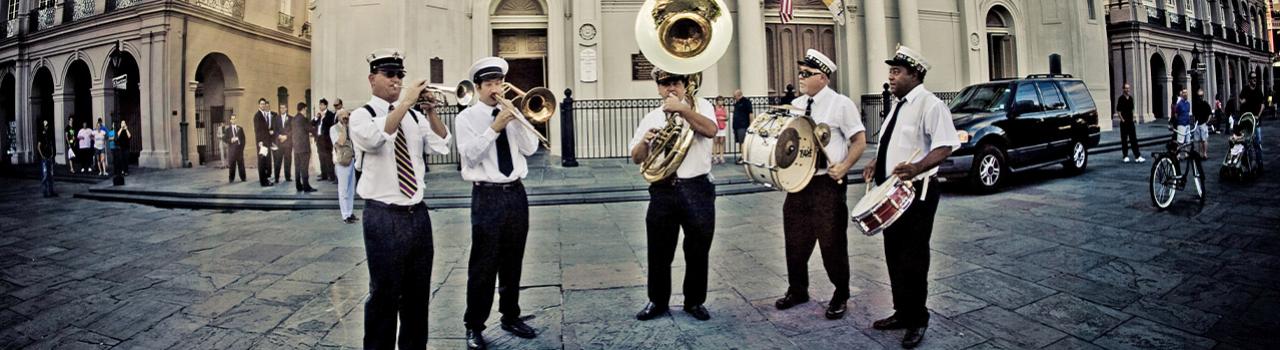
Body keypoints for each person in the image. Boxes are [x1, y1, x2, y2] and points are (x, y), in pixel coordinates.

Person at [349, 48, 451, 350]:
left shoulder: (415, 117)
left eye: (400, 76)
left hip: (417, 215)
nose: (396, 80)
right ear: (372, 79)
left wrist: (431, 111)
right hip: (383, 216)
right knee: (384, 294)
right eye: (390, 75)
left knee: (418, 297)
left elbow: (442, 144)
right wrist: (405, 101)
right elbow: (376, 138)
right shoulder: (361, 116)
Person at [861, 45, 960, 349]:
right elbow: (892, 143)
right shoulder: (898, 105)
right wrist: (877, 162)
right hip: (893, 194)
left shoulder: (930, 105)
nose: (890, 77)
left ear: (914, 74)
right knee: (894, 255)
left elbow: (945, 146)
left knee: (913, 258)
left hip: (917, 194)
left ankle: (918, 318)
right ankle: (902, 312)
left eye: (896, 72)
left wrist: (917, 166)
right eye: (890, 71)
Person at [773, 49, 867, 321]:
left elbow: (859, 140)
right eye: (800, 72)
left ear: (823, 78)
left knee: (831, 241)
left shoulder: (841, 104)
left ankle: (841, 293)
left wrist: (845, 165)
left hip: (828, 182)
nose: (800, 78)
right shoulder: (798, 103)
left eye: (806, 74)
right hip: (800, 182)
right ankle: (797, 289)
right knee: (795, 239)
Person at [456, 56, 540, 349]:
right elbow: (470, 156)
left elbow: (530, 149)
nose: (495, 89)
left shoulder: (512, 112)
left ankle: (510, 315)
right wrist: (495, 128)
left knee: (513, 260)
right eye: (489, 84)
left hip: (516, 193)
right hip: (487, 195)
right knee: (483, 264)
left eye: (499, 83)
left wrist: (517, 120)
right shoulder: (465, 118)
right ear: (478, 87)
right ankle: (474, 325)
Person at [628, 68, 719, 323]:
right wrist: (645, 142)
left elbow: (711, 130)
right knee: (659, 251)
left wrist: (683, 109)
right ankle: (657, 301)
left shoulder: (703, 106)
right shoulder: (651, 117)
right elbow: (637, 158)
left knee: (698, 249)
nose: (670, 88)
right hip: (663, 190)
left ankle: (694, 301)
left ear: (685, 83)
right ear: (657, 88)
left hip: (697, 188)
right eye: (665, 83)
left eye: (675, 82)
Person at [331, 109, 358, 223]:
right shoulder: (334, 129)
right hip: (341, 161)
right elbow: (340, 142)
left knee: (351, 188)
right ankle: (345, 215)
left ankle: (350, 212)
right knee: (343, 189)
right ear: (338, 117)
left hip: (351, 159)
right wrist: (343, 128)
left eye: (346, 114)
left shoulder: (349, 127)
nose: (345, 117)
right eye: (342, 115)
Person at [291, 101, 316, 193]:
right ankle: (306, 186)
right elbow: (310, 129)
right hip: (304, 147)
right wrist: (316, 131)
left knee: (297, 167)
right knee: (304, 167)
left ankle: (298, 185)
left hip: (296, 147)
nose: (307, 111)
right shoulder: (304, 119)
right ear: (303, 109)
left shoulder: (294, 119)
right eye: (306, 109)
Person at [1115, 83, 1144, 163]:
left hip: (1131, 122)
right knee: (1124, 140)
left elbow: (1132, 110)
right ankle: (1125, 156)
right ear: (1123, 89)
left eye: (1128, 88)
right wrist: (1122, 120)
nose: (1128, 90)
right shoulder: (1121, 99)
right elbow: (1118, 111)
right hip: (1124, 123)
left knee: (1134, 139)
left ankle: (1137, 156)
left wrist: (1133, 118)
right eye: (1126, 88)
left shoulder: (1130, 98)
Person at [254, 98, 276, 187]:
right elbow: (257, 130)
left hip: (266, 142)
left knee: (266, 161)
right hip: (262, 143)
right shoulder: (257, 115)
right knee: (262, 162)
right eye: (261, 104)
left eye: (264, 104)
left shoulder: (263, 114)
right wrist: (260, 142)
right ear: (259, 105)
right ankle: (263, 182)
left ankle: (265, 180)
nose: (263, 105)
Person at [315, 98, 338, 182]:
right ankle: (323, 174)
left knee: (328, 157)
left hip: (327, 139)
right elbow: (313, 123)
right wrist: (316, 117)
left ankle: (331, 175)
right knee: (321, 157)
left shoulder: (330, 114)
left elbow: (331, 125)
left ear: (325, 105)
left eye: (321, 105)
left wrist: (323, 117)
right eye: (319, 105)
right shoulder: (318, 115)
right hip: (319, 139)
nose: (320, 106)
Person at [223, 115, 247, 182]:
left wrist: (242, 148)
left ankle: (243, 178)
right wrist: (231, 140)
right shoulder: (228, 130)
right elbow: (224, 138)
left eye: (234, 119)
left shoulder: (240, 128)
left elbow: (243, 139)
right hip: (232, 150)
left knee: (241, 164)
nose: (233, 120)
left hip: (239, 150)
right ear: (230, 120)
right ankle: (231, 178)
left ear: (236, 120)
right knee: (232, 165)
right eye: (232, 119)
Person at [731, 89, 753, 164]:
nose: (734, 98)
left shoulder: (746, 102)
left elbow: (750, 113)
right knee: (740, 142)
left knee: (743, 141)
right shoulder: (737, 103)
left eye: (735, 96)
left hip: (743, 125)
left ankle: (744, 157)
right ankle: (742, 155)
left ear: (739, 95)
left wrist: (751, 124)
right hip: (737, 126)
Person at [38, 120, 57, 197]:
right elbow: (38, 146)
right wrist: (42, 155)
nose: (46, 127)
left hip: (49, 156)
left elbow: (51, 144)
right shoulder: (41, 135)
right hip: (45, 157)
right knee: (45, 175)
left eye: (47, 125)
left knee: (51, 175)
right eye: (45, 125)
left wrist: (52, 153)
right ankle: (45, 192)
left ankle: (51, 191)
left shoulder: (49, 134)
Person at [274, 103, 293, 183]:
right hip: (279, 143)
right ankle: (276, 178)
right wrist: (279, 136)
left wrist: (286, 137)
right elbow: (275, 130)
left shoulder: (291, 118)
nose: (281, 109)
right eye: (280, 108)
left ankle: (287, 177)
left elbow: (293, 130)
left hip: (288, 143)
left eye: (283, 108)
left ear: (286, 109)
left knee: (288, 160)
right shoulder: (276, 118)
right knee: (278, 160)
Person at [1194, 89, 1212, 158]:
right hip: (1197, 124)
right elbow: (1194, 114)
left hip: (1203, 123)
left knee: (1204, 140)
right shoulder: (1196, 104)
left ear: (1203, 96)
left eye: (1201, 96)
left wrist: (1207, 121)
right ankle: (1200, 153)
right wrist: (1194, 121)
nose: (1200, 97)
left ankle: (1205, 153)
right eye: (1199, 96)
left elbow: (1210, 113)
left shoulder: (1205, 104)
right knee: (1199, 140)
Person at [713, 97, 728, 164]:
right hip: (716, 126)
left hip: (722, 126)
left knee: (721, 141)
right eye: (719, 100)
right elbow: (712, 116)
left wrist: (722, 119)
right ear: (717, 101)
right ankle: (715, 157)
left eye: (722, 100)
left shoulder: (724, 108)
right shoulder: (714, 108)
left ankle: (721, 157)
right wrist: (718, 118)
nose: (721, 102)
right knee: (715, 141)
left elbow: (727, 117)